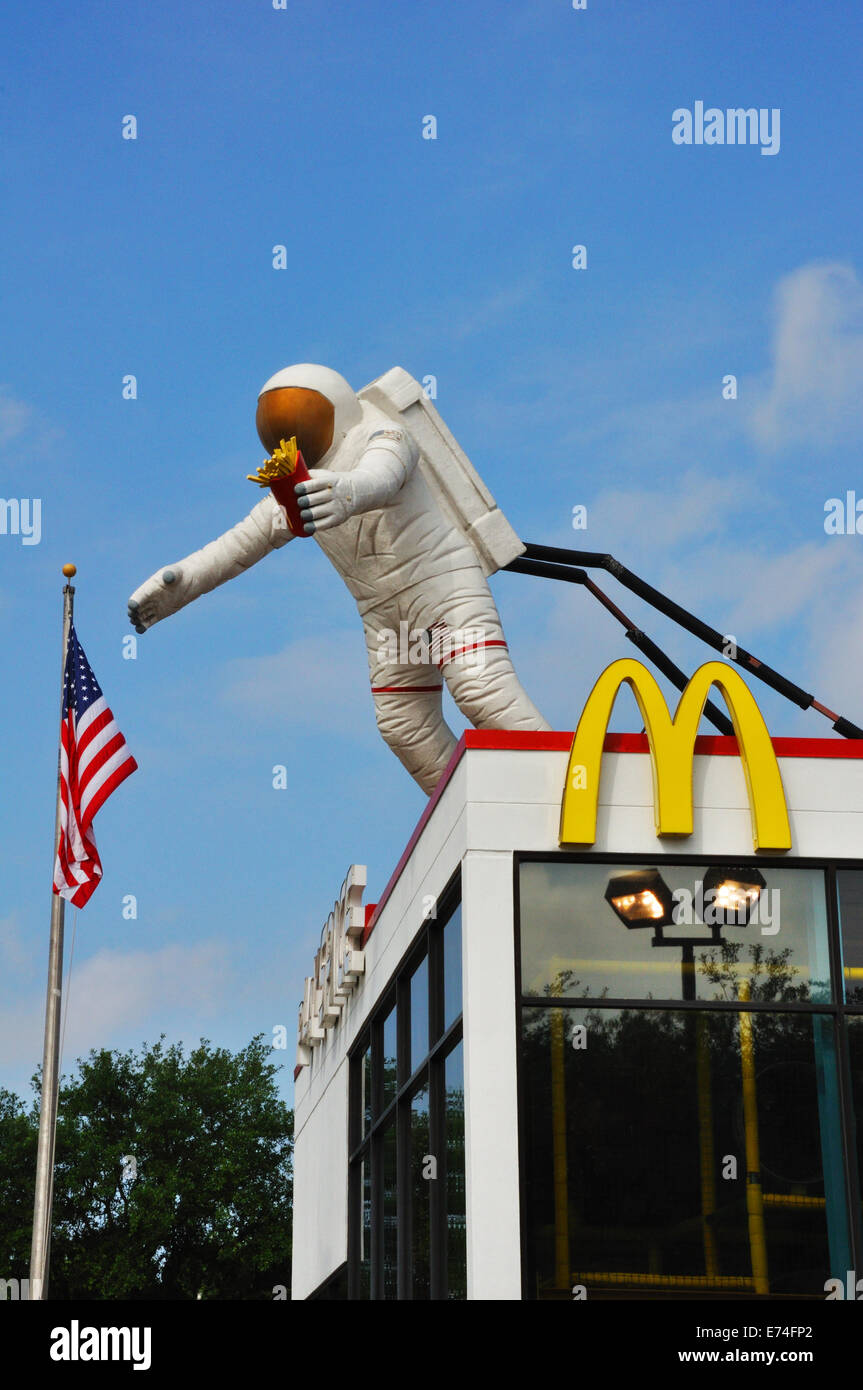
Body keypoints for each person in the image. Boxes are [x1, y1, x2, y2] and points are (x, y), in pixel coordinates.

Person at [128, 363, 549, 794]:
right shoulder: (294, 490)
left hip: (442, 590)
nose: (286, 432)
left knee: (482, 691)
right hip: (388, 619)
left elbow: (383, 474)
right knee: (405, 726)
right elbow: (234, 549)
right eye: (275, 424)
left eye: (296, 415)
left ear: (337, 407)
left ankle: (566, 787)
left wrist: (346, 491)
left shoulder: (382, 433)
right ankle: (472, 810)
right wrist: (175, 587)